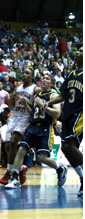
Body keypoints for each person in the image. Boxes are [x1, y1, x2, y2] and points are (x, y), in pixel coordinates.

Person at [5, 74, 66, 189]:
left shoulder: (54, 95)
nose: (44, 79)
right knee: (21, 149)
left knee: (42, 158)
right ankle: (15, 179)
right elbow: (32, 112)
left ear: (52, 84)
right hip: (33, 126)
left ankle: (60, 168)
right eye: (43, 78)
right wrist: (25, 104)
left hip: (45, 128)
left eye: (47, 79)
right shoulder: (37, 95)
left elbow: (57, 114)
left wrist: (42, 105)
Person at [44, 47, 83, 197]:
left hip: (80, 114)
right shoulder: (72, 74)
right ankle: (82, 177)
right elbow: (63, 95)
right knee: (66, 149)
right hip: (67, 115)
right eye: (77, 50)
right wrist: (48, 102)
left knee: (69, 145)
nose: (77, 53)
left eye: (81, 50)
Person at [0, 68, 38, 185]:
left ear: (32, 77)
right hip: (14, 117)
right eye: (24, 73)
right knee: (8, 146)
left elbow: (36, 107)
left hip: (25, 117)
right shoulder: (17, 88)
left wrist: (23, 100)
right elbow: (10, 106)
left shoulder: (35, 89)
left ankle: (9, 172)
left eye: (27, 73)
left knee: (13, 142)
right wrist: (12, 98)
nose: (24, 75)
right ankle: (21, 168)